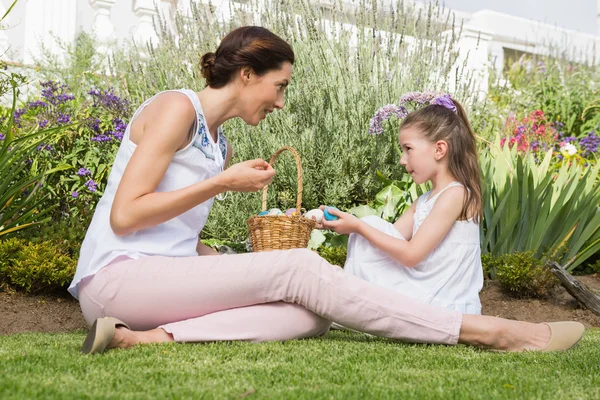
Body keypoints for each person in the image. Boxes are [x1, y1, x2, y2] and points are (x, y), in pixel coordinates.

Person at [70, 26, 584, 355]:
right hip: (115, 279)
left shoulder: (217, 144)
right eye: (280, 86)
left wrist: (226, 256)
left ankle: (145, 338)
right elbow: (126, 217)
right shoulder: (176, 109)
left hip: (154, 286)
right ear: (247, 75)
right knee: (300, 269)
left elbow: (175, 235)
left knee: (310, 314)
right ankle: (490, 331)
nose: (282, 102)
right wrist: (224, 184)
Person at [322, 95, 484, 315]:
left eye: (408, 149)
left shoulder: (455, 194)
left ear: (439, 150)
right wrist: (342, 222)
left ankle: (354, 303)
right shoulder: (424, 200)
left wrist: (358, 226)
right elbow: (388, 239)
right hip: (427, 290)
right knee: (369, 228)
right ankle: (352, 301)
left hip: (444, 302)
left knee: (366, 226)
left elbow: (411, 255)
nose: (402, 159)